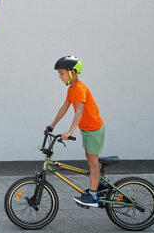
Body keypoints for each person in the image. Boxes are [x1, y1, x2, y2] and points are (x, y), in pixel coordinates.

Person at [48, 56, 105, 208]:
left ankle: (93, 196)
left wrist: (70, 131)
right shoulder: (71, 88)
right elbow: (64, 108)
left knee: (92, 162)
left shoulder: (79, 89)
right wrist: (52, 124)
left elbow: (78, 112)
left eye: (62, 73)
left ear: (72, 72)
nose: (60, 77)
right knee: (90, 158)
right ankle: (102, 181)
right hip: (87, 130)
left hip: (94, 129)